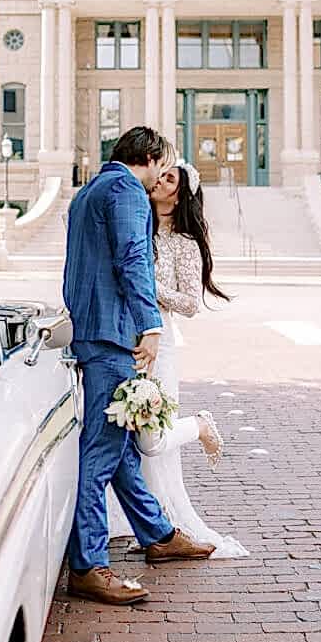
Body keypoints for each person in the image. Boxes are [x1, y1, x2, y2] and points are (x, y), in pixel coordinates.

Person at [63, 127, 217, 606]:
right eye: (161, 165)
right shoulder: (128, 191)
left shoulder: (86, 192)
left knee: (123, 441)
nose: (159, 180)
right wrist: (150, 326)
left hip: (91, 325)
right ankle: (88, 566)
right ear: (149, 158)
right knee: (102, 451)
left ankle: (158, 534)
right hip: (116, 333)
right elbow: (133, 259)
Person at [108, 159, 250, 560]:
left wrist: (148, 287)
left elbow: (189, 304)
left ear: (179, 193)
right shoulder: (135, 226)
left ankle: (200, 425)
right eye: (161, 174)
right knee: (126, 431)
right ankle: (151, 524)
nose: (160, 180)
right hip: (123, 335)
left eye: (169, 178)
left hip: (160, 340)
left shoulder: (185, 243)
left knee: (152, 439)